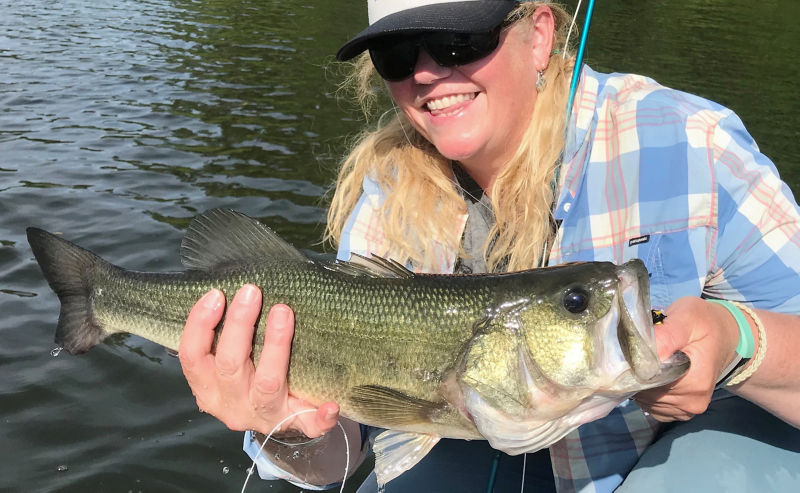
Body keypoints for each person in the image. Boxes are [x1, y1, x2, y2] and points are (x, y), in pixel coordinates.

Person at [177, 1, 800, 491]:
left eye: (458, 42)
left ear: (538, 35)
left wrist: (739, 343)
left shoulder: (691, 144)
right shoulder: (386, 194)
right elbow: (341, 455)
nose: (426, 73)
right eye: (397, 54)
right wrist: (281, 426)